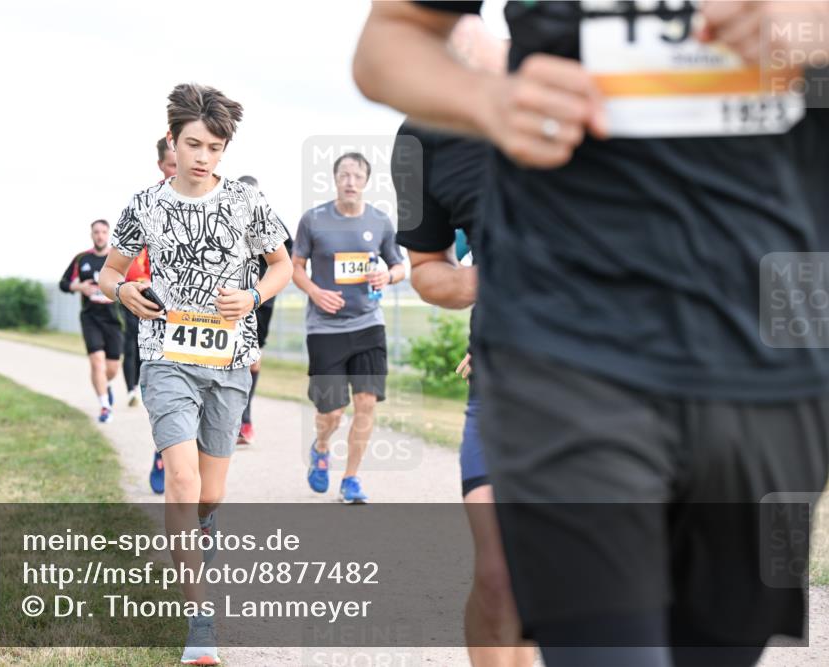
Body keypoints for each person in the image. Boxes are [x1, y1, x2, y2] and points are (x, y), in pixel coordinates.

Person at [355, 2, 829, 665]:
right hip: (565, 344)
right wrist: (489, 101)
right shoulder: (428, 141)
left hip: (765, 353)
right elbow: (387, 42)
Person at [98, 82, 291, 665]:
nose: (204, 157)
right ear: (172, 144)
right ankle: (199, 623)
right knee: (181, 483)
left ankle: (202, 530)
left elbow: (283, 264)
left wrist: (254, 294)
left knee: (211, 493)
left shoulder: (246, 204)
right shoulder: (144, 205)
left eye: (215, 147)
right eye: (195, 144)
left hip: (229, 361)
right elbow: (111, 273)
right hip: (165, 356)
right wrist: (125, 288)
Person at [394, 119, 533, 667]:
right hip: (505, 383)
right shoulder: (422, 132)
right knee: (499, 576)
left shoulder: (622, 78)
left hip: (629, 387)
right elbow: (426, 270)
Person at [292, 151, 405, 504]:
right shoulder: (313, 220)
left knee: (366, 404)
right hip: (324, 329)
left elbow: (400, 267)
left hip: (369, 324)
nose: (350, 181)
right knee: (331, 412)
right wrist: (314, 291)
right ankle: (322, 446)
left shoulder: (381, 221)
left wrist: (387, 275)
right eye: (344, 175)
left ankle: (351, 479)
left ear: (367, 181)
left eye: (357, 176)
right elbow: (295, 267)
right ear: (335, 178)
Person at [236, 174, 294, 446]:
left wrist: (263, 288)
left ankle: (245, 418)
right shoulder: (225, 216)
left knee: (253, 358)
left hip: (260, 301)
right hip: (227, 299)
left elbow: (286, 259)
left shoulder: (269, 220)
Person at [142, 136, 180, 494]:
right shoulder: (148, 205)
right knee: (170, 395)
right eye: (172, 165)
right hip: (159, 314)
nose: (179, 170)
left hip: (209, 318)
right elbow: (126, 261)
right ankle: (162, 451)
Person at [59, 220, 124, 424]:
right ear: (91, 234)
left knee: (112, 368)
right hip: (90, 318)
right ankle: (105, 406)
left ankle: (105, 385)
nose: (100, 236)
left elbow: (132, 281)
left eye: (104, 232)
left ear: (108, 234)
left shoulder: (117, 259)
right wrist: (80, 288)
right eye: (96, 232)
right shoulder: (82, 259)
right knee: (97, 361)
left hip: (113, 319)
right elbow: (64, 283)